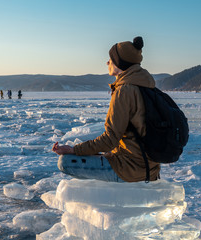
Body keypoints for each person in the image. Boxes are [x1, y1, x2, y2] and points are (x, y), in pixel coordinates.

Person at [52, 36, 160, 182]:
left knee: (65, 162)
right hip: (149, 166)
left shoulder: (124, 91)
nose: (107, 62)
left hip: (130, 168)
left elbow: (110, 139)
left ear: (120, 63)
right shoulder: (147, 86)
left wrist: (73, 150)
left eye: (111, 59)